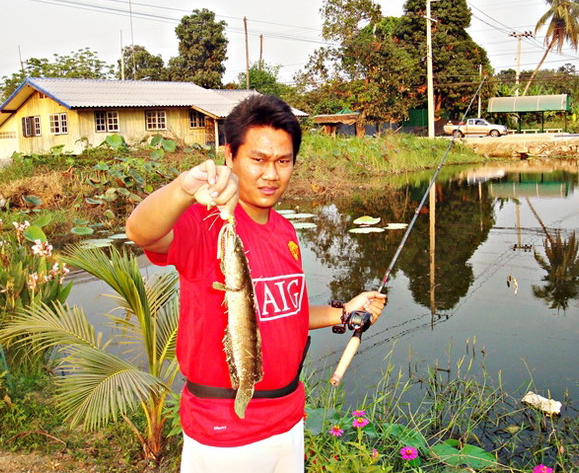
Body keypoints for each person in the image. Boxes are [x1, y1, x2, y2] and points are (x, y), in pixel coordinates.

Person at [126, 94, 386, 473]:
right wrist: (183, 188)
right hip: (225, 429)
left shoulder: (284, 230)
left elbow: (285, 313)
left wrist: (346, 311)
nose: (271, 174)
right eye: (258, 160)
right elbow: (141, 232)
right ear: (229, 156)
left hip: (288, 418)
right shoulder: (206, 222)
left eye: (283, 161)